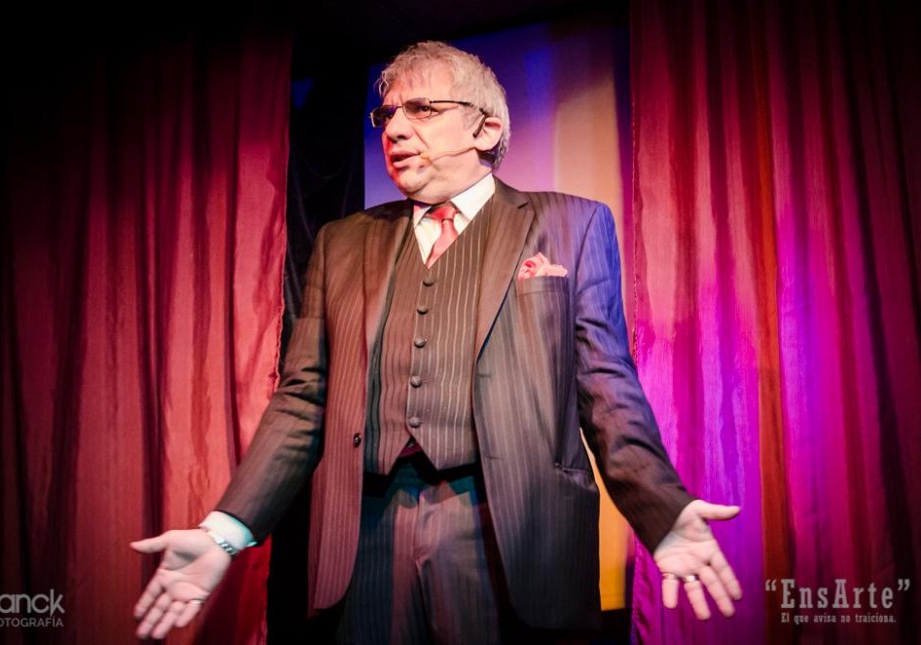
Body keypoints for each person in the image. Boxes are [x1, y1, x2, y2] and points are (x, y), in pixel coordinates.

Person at [132, 41, 742, 642]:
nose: (395, 129)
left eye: (421, 109)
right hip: (365, 537)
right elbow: (302, 400)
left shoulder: (570, 224)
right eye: (387, 115)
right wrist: (224, 532)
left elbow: (604, 384)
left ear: (485, 129)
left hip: (510, 528)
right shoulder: (342, 243)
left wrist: (661, 509)